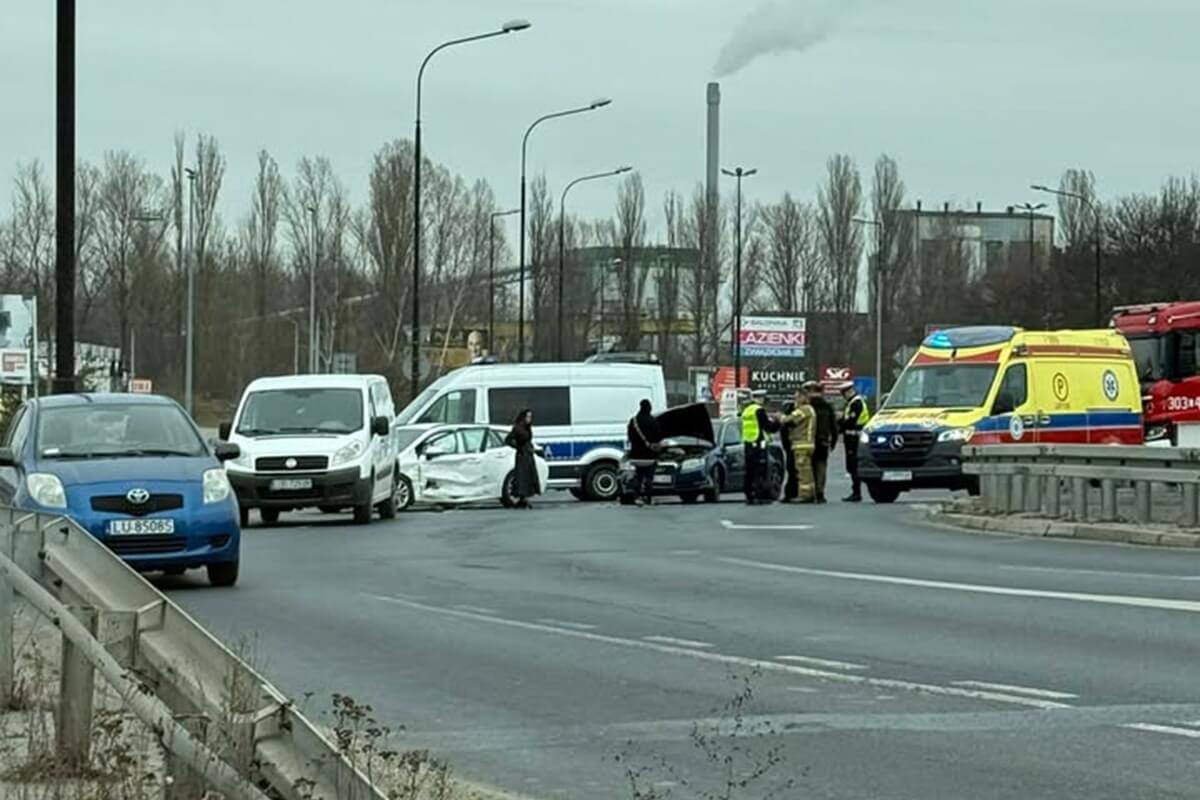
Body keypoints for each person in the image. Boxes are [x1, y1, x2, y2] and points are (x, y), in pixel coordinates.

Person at [741, 390, 781, 505]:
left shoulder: (746, 410)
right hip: (758, 444)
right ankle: (759, 496)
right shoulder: (759, 411)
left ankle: (749, 495)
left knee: (749, 471)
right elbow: (768, 427)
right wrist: (777, 422)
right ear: (761, 399)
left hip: (748, 443)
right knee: (760, 470)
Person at [804, 380, 838, 504]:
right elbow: (833, 426)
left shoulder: (806, 406)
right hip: (823, 441)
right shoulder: (827, 406)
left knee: (808, 468)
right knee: (821, 466)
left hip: (807, 440)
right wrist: (833, 441)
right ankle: (820, 492)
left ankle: (809, 493)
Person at [838, 382, 871, 502]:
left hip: (854, 438)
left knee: (853, 465)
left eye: (844, 393)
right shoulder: (852, 403)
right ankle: (855, 491)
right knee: (852, 465)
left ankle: (857, 492)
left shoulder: (856, 403)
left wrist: (840, 424)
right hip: (851, 438)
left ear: (848, 392)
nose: (843, 396)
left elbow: (850, 420)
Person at [784, 388, 817, 503]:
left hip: (801, 445)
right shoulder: (810, 409)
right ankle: (811, 493)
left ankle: (805, 495)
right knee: (807, 471)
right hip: (807, 444)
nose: (795, 400)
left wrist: (779, 417)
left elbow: (788, 419)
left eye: (797, 397)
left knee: (803, 472)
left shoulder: (803, 410)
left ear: (803, 397)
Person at [627, 399, 662, 506]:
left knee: (638, 476)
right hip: (650, 456)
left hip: (636, 455)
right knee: (649, 477)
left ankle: (637, 496)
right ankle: (648, 497)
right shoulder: (653, 421)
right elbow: (658, 437)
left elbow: (629, 436)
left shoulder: (633, 421)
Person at [504, 409, 540, 509]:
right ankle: (522, 497)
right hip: (522, 455)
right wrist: (518, 446)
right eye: (528, 417)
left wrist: (531, 447)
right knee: (522, 476)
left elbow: (528, 439)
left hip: (528, 454)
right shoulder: (517, 428)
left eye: (530, 417)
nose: (529, 419)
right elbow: (508, 439)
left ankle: (525, 497)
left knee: (528, 476)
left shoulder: (527, 428)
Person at [779, 398, 798, 502]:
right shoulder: (787, 420)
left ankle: (791, 494)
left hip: (794, 446)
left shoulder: (791, 420)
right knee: (792, 470)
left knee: (793, 470)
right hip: (790, 447)